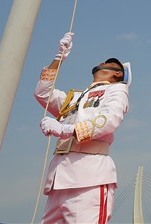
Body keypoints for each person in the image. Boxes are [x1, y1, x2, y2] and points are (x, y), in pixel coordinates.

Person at [34, 32, 130, 224]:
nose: (101, 62)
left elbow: (109, 120)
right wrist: (58, 58)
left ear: (117, 73)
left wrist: (65, 130)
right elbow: (43, 93)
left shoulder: (116, 90)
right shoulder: (76, 97)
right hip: (59, 178)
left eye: (108, 62)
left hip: (89, 177)